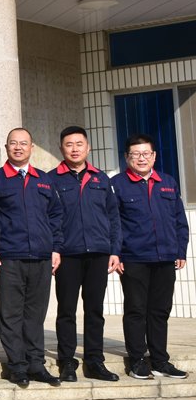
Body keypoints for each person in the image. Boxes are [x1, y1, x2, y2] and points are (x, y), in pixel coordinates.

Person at [0, 127, 64, 387]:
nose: (18, 147)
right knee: (10, 314)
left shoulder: (45, 180)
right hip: (9, 257)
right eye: (13, 143)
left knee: (35, 314)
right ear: (6, 147)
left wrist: (55, 248)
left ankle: (36, 364)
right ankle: (17, 366)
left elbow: (56, 216)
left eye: (23, 143)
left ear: (32, 147)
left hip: (41, 257)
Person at [111, 133, 189, 380]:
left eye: (146, 153)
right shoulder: (117, 185)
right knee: (136, 309)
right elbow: (113, 223)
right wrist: (116, 253)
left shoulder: (167, 182)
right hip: (133, 258)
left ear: (154, 156)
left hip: (165, 257)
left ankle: (160, 360)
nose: (141, 158)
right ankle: (137, 360)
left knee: (160, 310)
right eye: (136, 154)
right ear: (127, 157)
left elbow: (179, 219)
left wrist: (180, 250)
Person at [50, 126, 121, 382]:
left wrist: (115, 250)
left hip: (98, 253)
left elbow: (113, 217)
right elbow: (48, 218)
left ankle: (94, 361)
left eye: (79, 144)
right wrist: (54, 248)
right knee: (66, 311)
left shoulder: (101, 179)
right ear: (61, 148)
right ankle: (67, 361)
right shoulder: (50, 179)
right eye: (69, 144)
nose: (74, 149)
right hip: (67, 255)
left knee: (95, 310)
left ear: (88, 148)